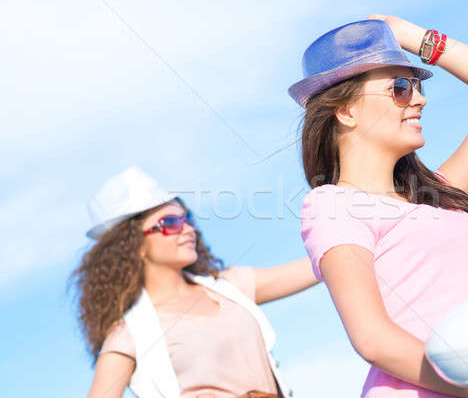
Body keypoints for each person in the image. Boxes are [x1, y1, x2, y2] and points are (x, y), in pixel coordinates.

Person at [289, 16, 468, 397]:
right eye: (400, 88)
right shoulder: (332, 204)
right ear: (346, 111)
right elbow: (373, 340)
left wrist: (404, 34)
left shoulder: (439, 194)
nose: (419, 99)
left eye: (416, 85)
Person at [70, 166, 318, 398]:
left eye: (186, 218)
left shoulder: (229, 286)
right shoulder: (130, 333)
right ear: (134, 247)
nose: (187, 229)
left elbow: (322, 264)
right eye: (170, 223)